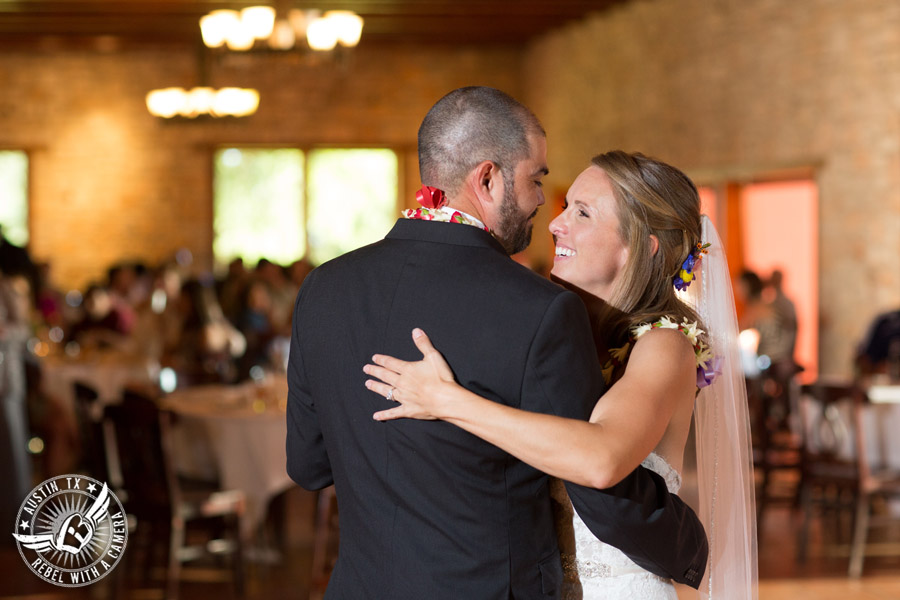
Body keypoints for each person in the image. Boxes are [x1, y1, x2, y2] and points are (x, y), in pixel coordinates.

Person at [286, 87, 707, 599]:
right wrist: (689, 546)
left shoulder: (323, 287)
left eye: (580, 211)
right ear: (487, 178)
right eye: (537, 181)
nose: (546, 213)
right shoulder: (539, 310)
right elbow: (602, 498)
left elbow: (308, 467)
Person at [364, 151, 757, 598]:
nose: (555, 224)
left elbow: (601, 459)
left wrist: (446, 400)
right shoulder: (562, 334)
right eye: (565, 205)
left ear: (643, 246)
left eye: (582, 213)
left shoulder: (665, 345)